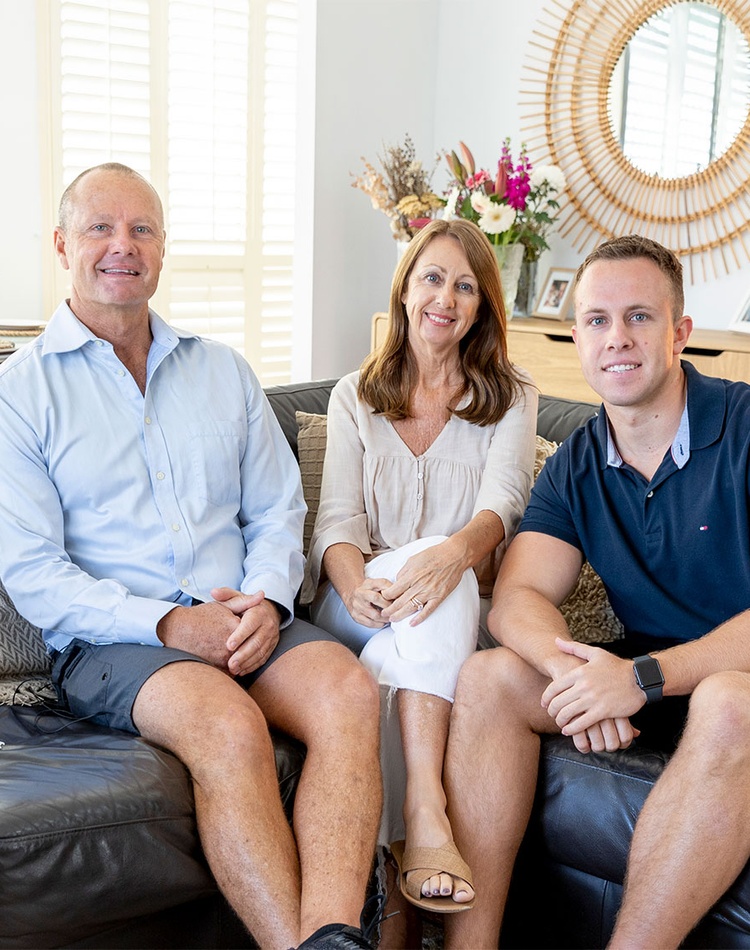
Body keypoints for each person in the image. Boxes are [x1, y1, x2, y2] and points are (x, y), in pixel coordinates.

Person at [0, 163, 383, 950]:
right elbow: (35, 574)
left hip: (249, 617)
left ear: (163, 248)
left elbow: (279, 509)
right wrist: (172, 623)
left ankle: (334, 936)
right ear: (61, 243)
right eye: (101, 228)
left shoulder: (222, 371)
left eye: (141, 228)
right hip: (116, 644)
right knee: (227, 725)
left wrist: (268, 603)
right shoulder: (21, 392)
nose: (122, 245)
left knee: (348, 688)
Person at [442, 233, 750, 949]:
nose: (618, 338)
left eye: (640, 317)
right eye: (598, 320)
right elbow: (518, 595)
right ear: (575, 335)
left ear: (681, 334)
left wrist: (641, 679)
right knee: (489, 678)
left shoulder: (741, 427)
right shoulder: (578, 459)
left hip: (731, 684)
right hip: (658, 678)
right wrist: (577, 676)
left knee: (729, 702)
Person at [302, 218, 537, 943]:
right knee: (415, 597)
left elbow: (505, 503)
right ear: (405, 289)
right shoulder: (355, 397)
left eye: (465, 286)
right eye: (432, 277)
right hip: (360, 600)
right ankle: (428, 813)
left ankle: (392, 907)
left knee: (423, 616)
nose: (446, 297)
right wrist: (350, 586)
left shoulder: (510, 397)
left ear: (481, 307)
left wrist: (454, 553)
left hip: (453, 605)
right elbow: (336, 524)